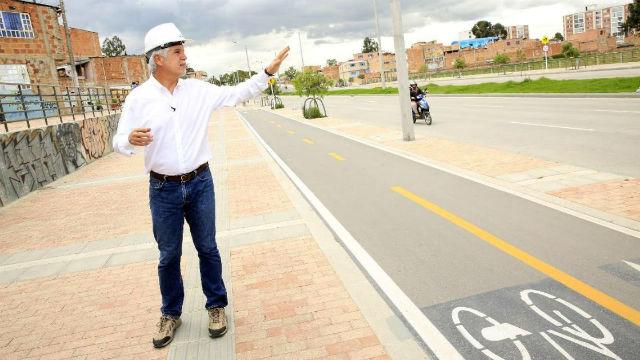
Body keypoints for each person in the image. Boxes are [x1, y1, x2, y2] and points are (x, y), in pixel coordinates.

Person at [112, 23, 289, 349]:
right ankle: (171, 313)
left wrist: (267, 71)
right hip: (162, 189)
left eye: (183, 51)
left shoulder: (198, 90)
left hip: (200, 183)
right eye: (178, 52)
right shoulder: (138, 98)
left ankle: (216, 306)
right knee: (169, 255)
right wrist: (129, 139)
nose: (184, 57)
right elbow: (118, 140)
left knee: (207, 247)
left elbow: (239, 93)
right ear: (158, 59)